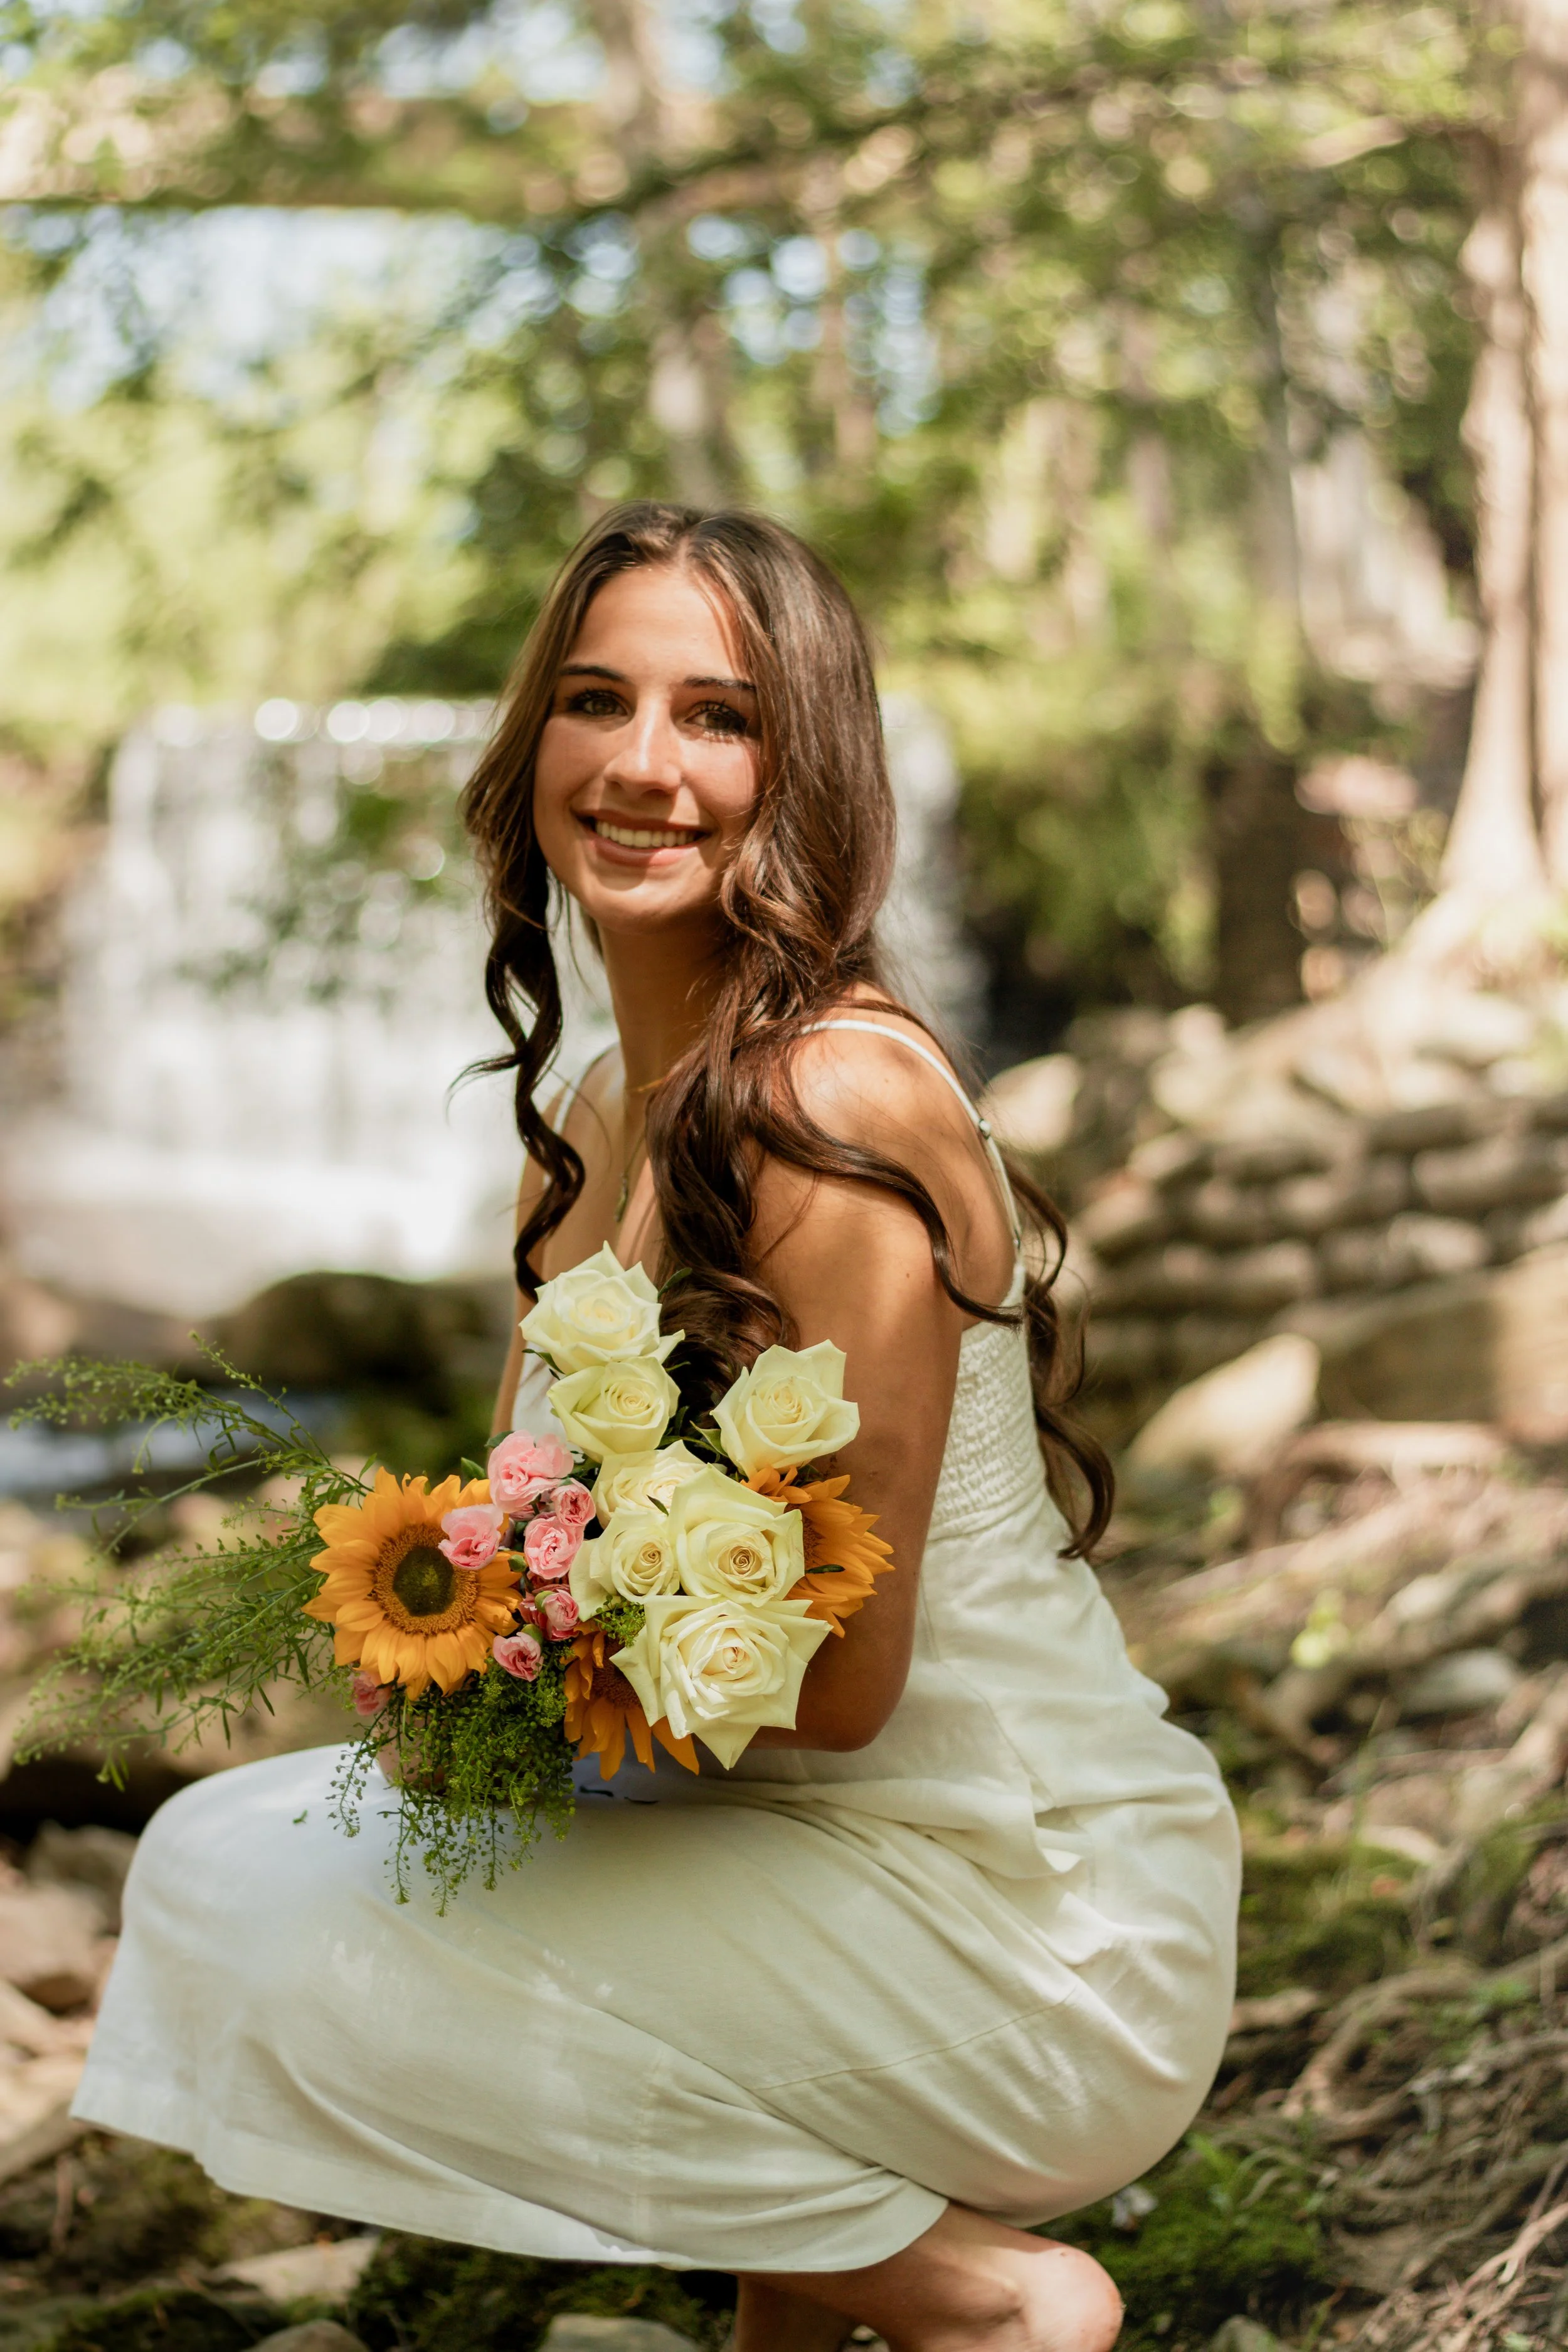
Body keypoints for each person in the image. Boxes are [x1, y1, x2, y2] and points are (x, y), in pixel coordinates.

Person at [73, 504, 1239, 2352]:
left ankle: (992, 2303)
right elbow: (513, 1532)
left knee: (242, 1890)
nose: (640, 763)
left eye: (717, 717)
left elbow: (838, 1691)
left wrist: (529, 1673)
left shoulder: (831, 1106)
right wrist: (445, 1654)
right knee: (246, 1837)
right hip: (795, 1858)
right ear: (532, 735)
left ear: (810, 765)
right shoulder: (602, 1110)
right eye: (596, 699)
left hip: (1025, 1916)